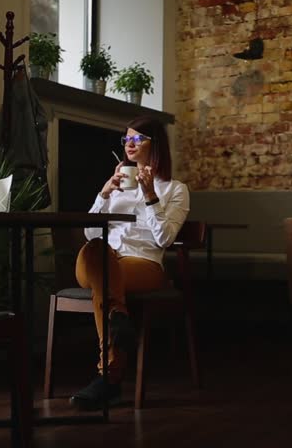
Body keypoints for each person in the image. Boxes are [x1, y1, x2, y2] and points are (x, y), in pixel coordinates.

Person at [69, 116, 189, 410]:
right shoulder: (117, 184)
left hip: (143, 264)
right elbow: (90, 232)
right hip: (103, 260)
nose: (130, 144)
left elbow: (164, 240)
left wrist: (149, 196)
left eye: (137, 139)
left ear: (155, 144)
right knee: (93, 250)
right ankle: (118, 320)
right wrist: (104, 195)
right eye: (127, 140)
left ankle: (108, 376)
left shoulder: (176, 190)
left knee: (104, 277)